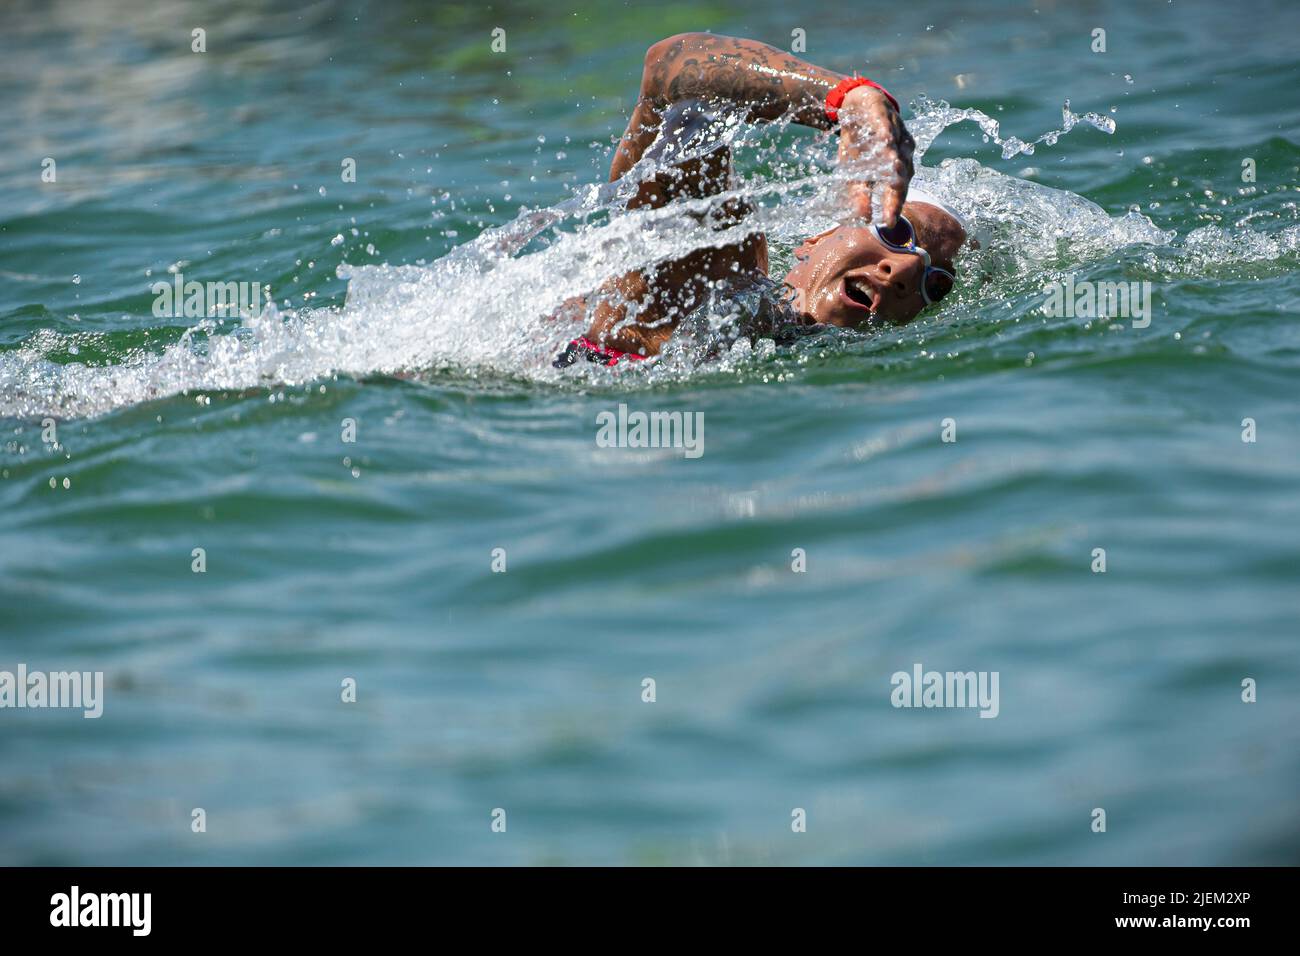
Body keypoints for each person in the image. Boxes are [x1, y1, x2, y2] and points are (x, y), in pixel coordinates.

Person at [552, 32, 972, 368]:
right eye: (896, 230)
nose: (906, 267)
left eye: (936, 283)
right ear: (818, 237)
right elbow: (669, 69)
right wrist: (846, 98)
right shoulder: (718, 266)